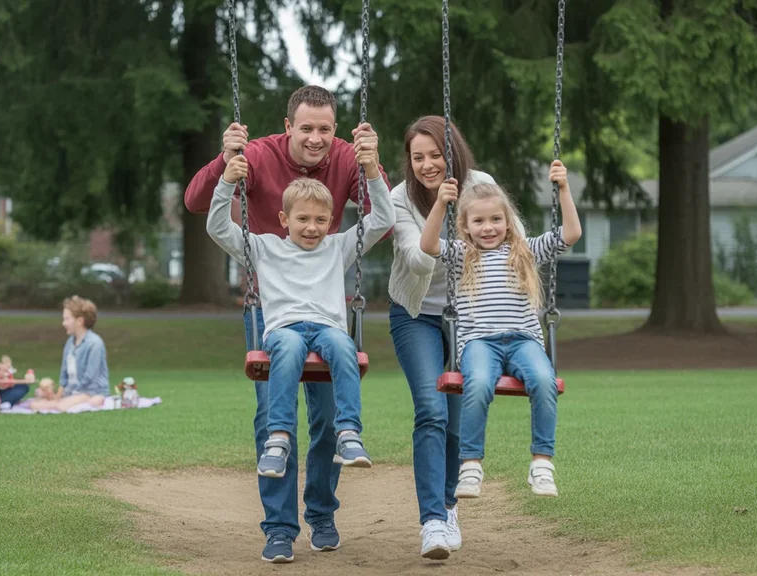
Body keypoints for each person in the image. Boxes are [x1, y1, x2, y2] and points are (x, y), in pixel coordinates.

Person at [184, 85, 391, 563]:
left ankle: (321, 513)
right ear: (288, 127)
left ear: (335, 130)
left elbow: (382, 217)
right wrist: (225, 165)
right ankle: (279, 528)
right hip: (270, 309)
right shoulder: (257, 161)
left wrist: (372, 165)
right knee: (272, 418)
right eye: (306, 128)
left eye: (324, 129)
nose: (316, 138)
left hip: (326, 314)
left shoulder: (346, 162)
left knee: (324, 419)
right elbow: (203, 209)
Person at [208, 142, 393, 474]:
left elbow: (382, 219)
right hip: (283, 329)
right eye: (303, 218)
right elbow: (218, 228)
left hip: (328, 329)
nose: (312, 227)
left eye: (321, 219)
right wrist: (225, 182)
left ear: (331, 219)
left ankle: (349, 433)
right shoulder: (264, 248)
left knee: (343, 346)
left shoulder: (338, 248)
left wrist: (371, 172)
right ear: (284, 218)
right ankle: (278, 437)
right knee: (290, 347)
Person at [419, 161, 582, 504]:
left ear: (508, 222)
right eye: (478, 221)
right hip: (479, 343)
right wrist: (440, 204)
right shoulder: (463, 255)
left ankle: (541, 463)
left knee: (544, 381)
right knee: (476, 384)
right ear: (464, 226)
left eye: (496, 220)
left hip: (524, 341)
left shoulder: (525, 251)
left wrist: (563, 190)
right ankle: (471, 465)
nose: (488, 227)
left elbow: (571, 234)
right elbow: (428, 244)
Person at [386, 115, 497, 559]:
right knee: (431, 409)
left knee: (455, 419)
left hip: (468, 316)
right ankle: (432, 520)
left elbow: (511, 242)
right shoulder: (399, 198)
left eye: (436, 155)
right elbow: (417, 261)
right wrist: (439, 206)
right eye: (418, 157)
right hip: (416, 315)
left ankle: (450, 506)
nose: (428, 165)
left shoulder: (481, 183)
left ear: (454, 154)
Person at [29, 296, 109, 412]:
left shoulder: (95, 343)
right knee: (34, 405)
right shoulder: (70, 343)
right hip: (73, 391)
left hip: (90, 391)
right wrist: (59, 394)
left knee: (62, 406)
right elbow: (64, 374)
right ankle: (65, 401)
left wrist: (70, 394)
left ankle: (93, 400)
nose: (63, 323)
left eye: (67, 319)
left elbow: (90, 377)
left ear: (80, 321)